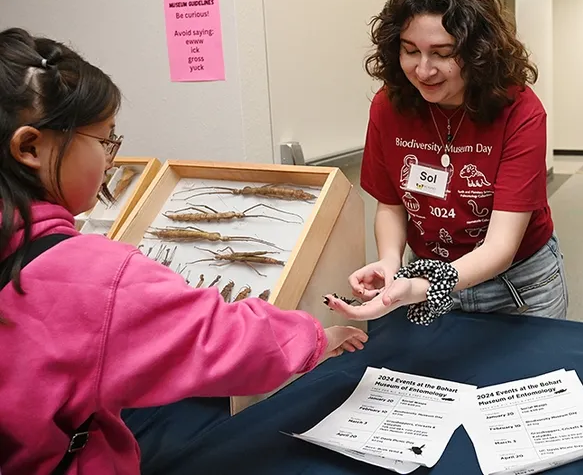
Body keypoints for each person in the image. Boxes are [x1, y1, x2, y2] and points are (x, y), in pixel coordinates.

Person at [0, 27, 367, 475]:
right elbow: (225, 339)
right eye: (105, 140)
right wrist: (318, 336)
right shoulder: (88, 277)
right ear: (30, 147)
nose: (112, 158)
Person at [326, 0, 567, 325]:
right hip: (424, 275)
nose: (424, 70)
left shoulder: (520, 111)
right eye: (410, 51)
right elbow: (391, 205)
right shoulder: (389, 106)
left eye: (442, 53)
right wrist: (391, 262)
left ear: (478, 52)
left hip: (517, 286)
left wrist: (423, 285)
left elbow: (501, 247)